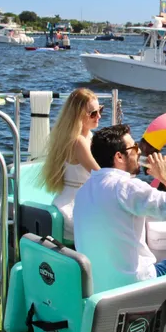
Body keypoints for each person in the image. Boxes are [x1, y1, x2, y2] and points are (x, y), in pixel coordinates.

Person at [74, 124, 166, 327]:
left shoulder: (84, 190)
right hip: (136, 287)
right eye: (134, 148)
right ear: (119, 157)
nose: (138, 152)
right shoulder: (127, 186)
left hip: (98, 290)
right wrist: (165, 176)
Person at [40, 88, 102, 243]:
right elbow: (100, 175)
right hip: (73, 209)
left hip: (77, 202)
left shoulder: (86, 136)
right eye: (93, 113)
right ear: (78, 115)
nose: (99, 116)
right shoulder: (78, 142)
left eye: (100, 110)